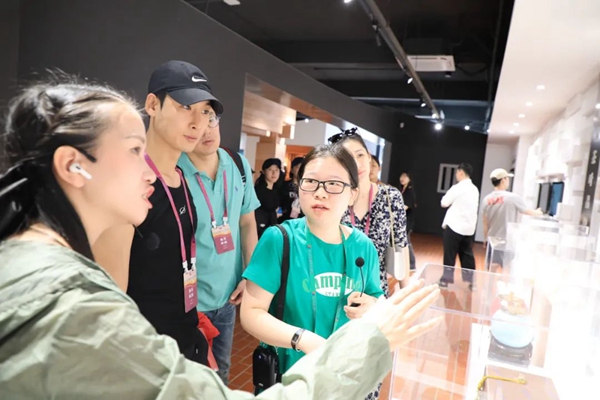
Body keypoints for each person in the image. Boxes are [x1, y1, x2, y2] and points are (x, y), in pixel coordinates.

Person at [0, 76, 443, 399]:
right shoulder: (72, 307)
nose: (148, 169)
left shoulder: (38, 272)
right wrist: (364, 344)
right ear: (73, 166)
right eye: (135, 150)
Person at [93, 60, 220, 365]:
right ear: (152, 105)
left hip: (185, 344)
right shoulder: (128, 185)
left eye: (205, 112)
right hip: (145, 356)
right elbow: (110, 299)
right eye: (185, 107)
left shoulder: (180, 177)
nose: (198, 123)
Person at [242, 144, 385, 400]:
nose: (320, 193)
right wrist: (303, 339)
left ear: (352, 194)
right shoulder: (279, 239)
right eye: (310, 182)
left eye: (334, 184)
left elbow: (377, 299)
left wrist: (372, 305)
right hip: (286, 382)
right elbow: (251, 313)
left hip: (343, 380)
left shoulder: (364, 247)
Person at [178, 121, 260, 384]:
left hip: (227, 298)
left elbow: (247, 223)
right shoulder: (174, 168)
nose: (207, 131)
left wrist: (249, 276)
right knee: (186, 378)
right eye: (198, 125)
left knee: (220, 373)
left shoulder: (238, 164)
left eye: (212, 121)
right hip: (186, 301)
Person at [330, 128, 410, 295]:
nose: (357, 164)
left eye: (360, 155)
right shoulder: (334, 196)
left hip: (376, 292)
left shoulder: (390, 197)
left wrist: (406, 295)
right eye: (348, 159)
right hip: (336, 291)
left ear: (369, 156)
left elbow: (401, 247)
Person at [482, 168, 542, 268]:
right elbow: (528, 212)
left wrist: (485, 239)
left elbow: (485, 222)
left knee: (491, 270)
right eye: (507, 178)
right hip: (507, 242)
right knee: (507, 270)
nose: (508, 181)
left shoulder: (486, 199)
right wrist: (538, 212)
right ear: (503, 180)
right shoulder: (513, 197)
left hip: (493, 241)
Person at [439, 163, 480, 289]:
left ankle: (446, 280)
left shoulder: (457, 187)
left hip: (454, 226)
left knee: (450, 254)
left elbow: (444, 203)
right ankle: (472, 282)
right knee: (467, 254)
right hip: (469, 228)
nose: (456, 175)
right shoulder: (474, 189)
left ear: (461, 172)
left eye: (457, 172)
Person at [254, 158, 282, 238]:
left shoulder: (277, 190)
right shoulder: (258, 190)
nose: (274, 173)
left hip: (272, 229)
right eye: (270, 169)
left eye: (276, 170)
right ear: (263, 171)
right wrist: (274, 214)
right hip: (259, 230)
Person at [399, 172, 417, 270]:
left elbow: (406, 206)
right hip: (402, 220)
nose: (402, 178)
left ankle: (412, 264)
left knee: (407, 242)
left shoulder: (409, 191)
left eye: (405, 176)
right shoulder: (402, 190)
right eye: (401, 176)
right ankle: (407, 263)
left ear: (409, 178)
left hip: (407, 220)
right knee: (404, 241)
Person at [279, 156, 304, 222]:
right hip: (285, 219)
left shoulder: (308, 187)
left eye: (302, 168)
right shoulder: (284, 185)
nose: (300, 170)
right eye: (298, 167)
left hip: (302, 220)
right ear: (292, 169)